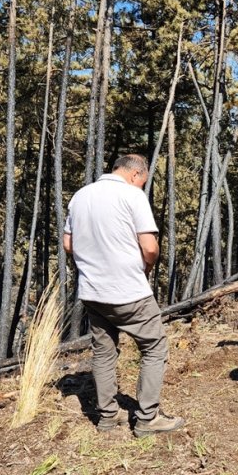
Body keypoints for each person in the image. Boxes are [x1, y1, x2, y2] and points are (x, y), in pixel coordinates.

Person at [63, 154, 185, 437]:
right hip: (128, 291)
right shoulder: (132, 196)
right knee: (154, 347)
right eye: (142, 182)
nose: (141, 187)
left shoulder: (80, 197)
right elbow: (151, 248)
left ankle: (107, 417)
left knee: (104, 353)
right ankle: (147, 419)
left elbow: (69, 243)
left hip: (93, 292)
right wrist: (147, 267)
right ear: (134, 175)